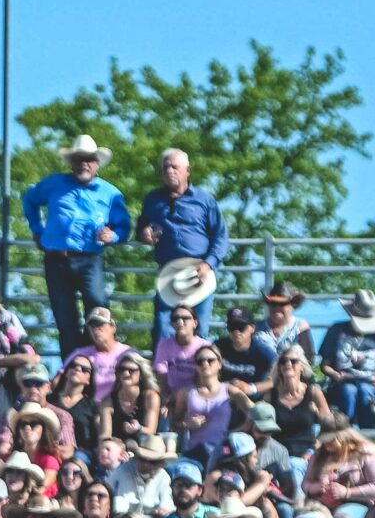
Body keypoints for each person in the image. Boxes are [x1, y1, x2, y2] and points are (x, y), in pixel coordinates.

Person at [20, 135, 129, 360]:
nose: (84, 164)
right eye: (79, 159)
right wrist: (37, 230)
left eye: (89, 159)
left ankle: (96, 363)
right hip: (57, 259)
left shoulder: (110, 193)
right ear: (71, 163)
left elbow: (124, 226)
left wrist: (113, 236)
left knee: (98, 311)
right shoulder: (54, 184)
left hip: (90, 259)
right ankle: (71, 367)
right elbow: (29, 199)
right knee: (64, 318)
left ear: (97, 163)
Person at [136, 148, 226, 345]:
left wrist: (208, 264)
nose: (170, 171)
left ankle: (199, 374)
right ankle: (164, 374)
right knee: (163, 328)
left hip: (198, 272)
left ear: (187, 170)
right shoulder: (153, 199)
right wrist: (144, 233)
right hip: (168, 273)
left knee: (198, 329)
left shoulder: (204, 200)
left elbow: (220, 237)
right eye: (165, 167)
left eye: (174, 167)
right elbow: (141, 227)